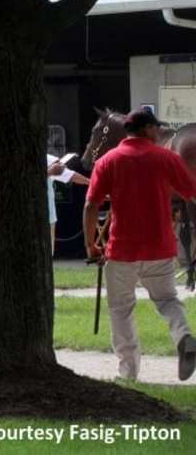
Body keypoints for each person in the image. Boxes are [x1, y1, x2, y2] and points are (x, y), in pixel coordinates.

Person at [83, 109, 196, 382]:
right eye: (156, 127)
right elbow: (192, 193)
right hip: (161, 248)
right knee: (168, 300)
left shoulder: (108, 160)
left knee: (121, 309)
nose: (159, 131)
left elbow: (91, 205)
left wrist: (91, 246)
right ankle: (184, 336)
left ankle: (128, 373)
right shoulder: (167, 157)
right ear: (146, 129)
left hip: (122, 249)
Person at [46, 153, 88, 253]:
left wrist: (92, 183)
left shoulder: (47, 158)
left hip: (48, 216)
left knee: (47, 255)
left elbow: (69, 175)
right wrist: (49, 172)